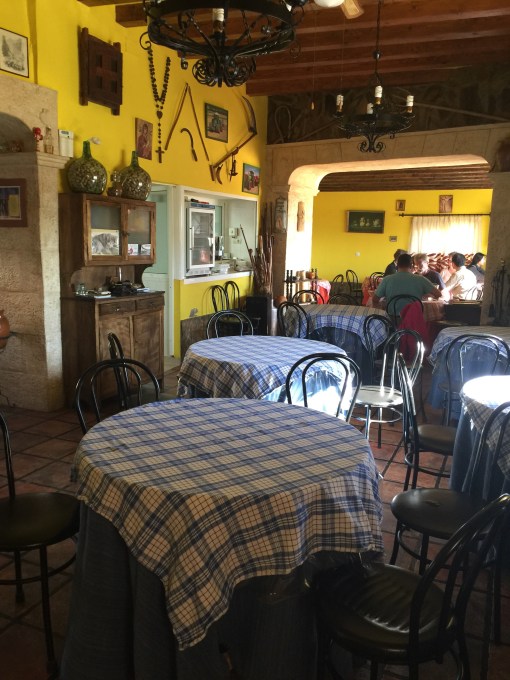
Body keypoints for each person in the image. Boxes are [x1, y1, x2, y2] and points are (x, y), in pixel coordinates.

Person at [373, 253, 441, 315]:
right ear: (411, 266)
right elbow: (438, 294)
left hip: (392, 319)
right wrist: (423, 294)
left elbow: (375, 299)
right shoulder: (421, 279)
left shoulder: (387, 279)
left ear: (397, 266)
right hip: (414, 319)